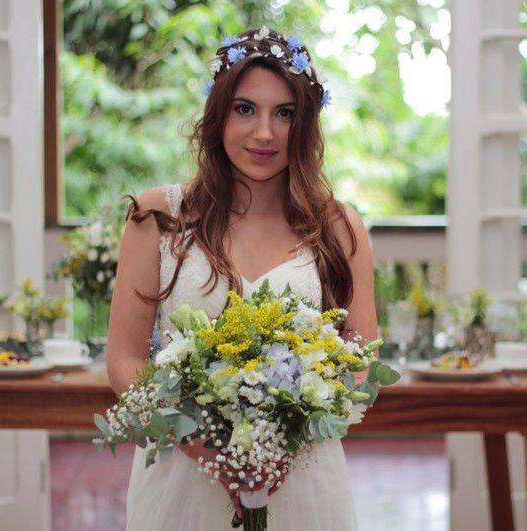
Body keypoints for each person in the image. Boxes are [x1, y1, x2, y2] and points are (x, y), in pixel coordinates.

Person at [106, 26, 377, 530]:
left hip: (301, 478)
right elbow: (123, 358)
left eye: (285, 113)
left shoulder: (338, 227)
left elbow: (362, 356)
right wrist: (195, 438)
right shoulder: (157, 217)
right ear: (218, 113)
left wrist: (290, 433)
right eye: (245, 108)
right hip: (182, 482)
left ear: (307, 123)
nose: (264, 134)